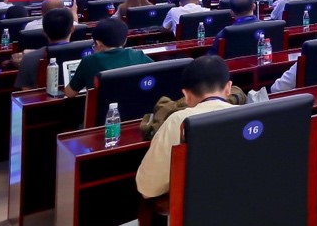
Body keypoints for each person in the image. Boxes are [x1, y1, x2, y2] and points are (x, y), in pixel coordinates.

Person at [136, 56, 236, 198]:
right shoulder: (247, 115)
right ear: (228, 88)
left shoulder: (178, 120)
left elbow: (148, 187)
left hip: (195, 205)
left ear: (186, 95)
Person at [64, 18, 152, 97]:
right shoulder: (138, 55)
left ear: (98, 43)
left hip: (102, 110)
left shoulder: (89, 61)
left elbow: (69, 93)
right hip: (136, 108)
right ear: (125, 40)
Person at [16, 7, 75, 88]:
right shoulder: (87, 54)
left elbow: (25, 91)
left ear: (44, 32)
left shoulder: (28, 58)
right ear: (73, 29)